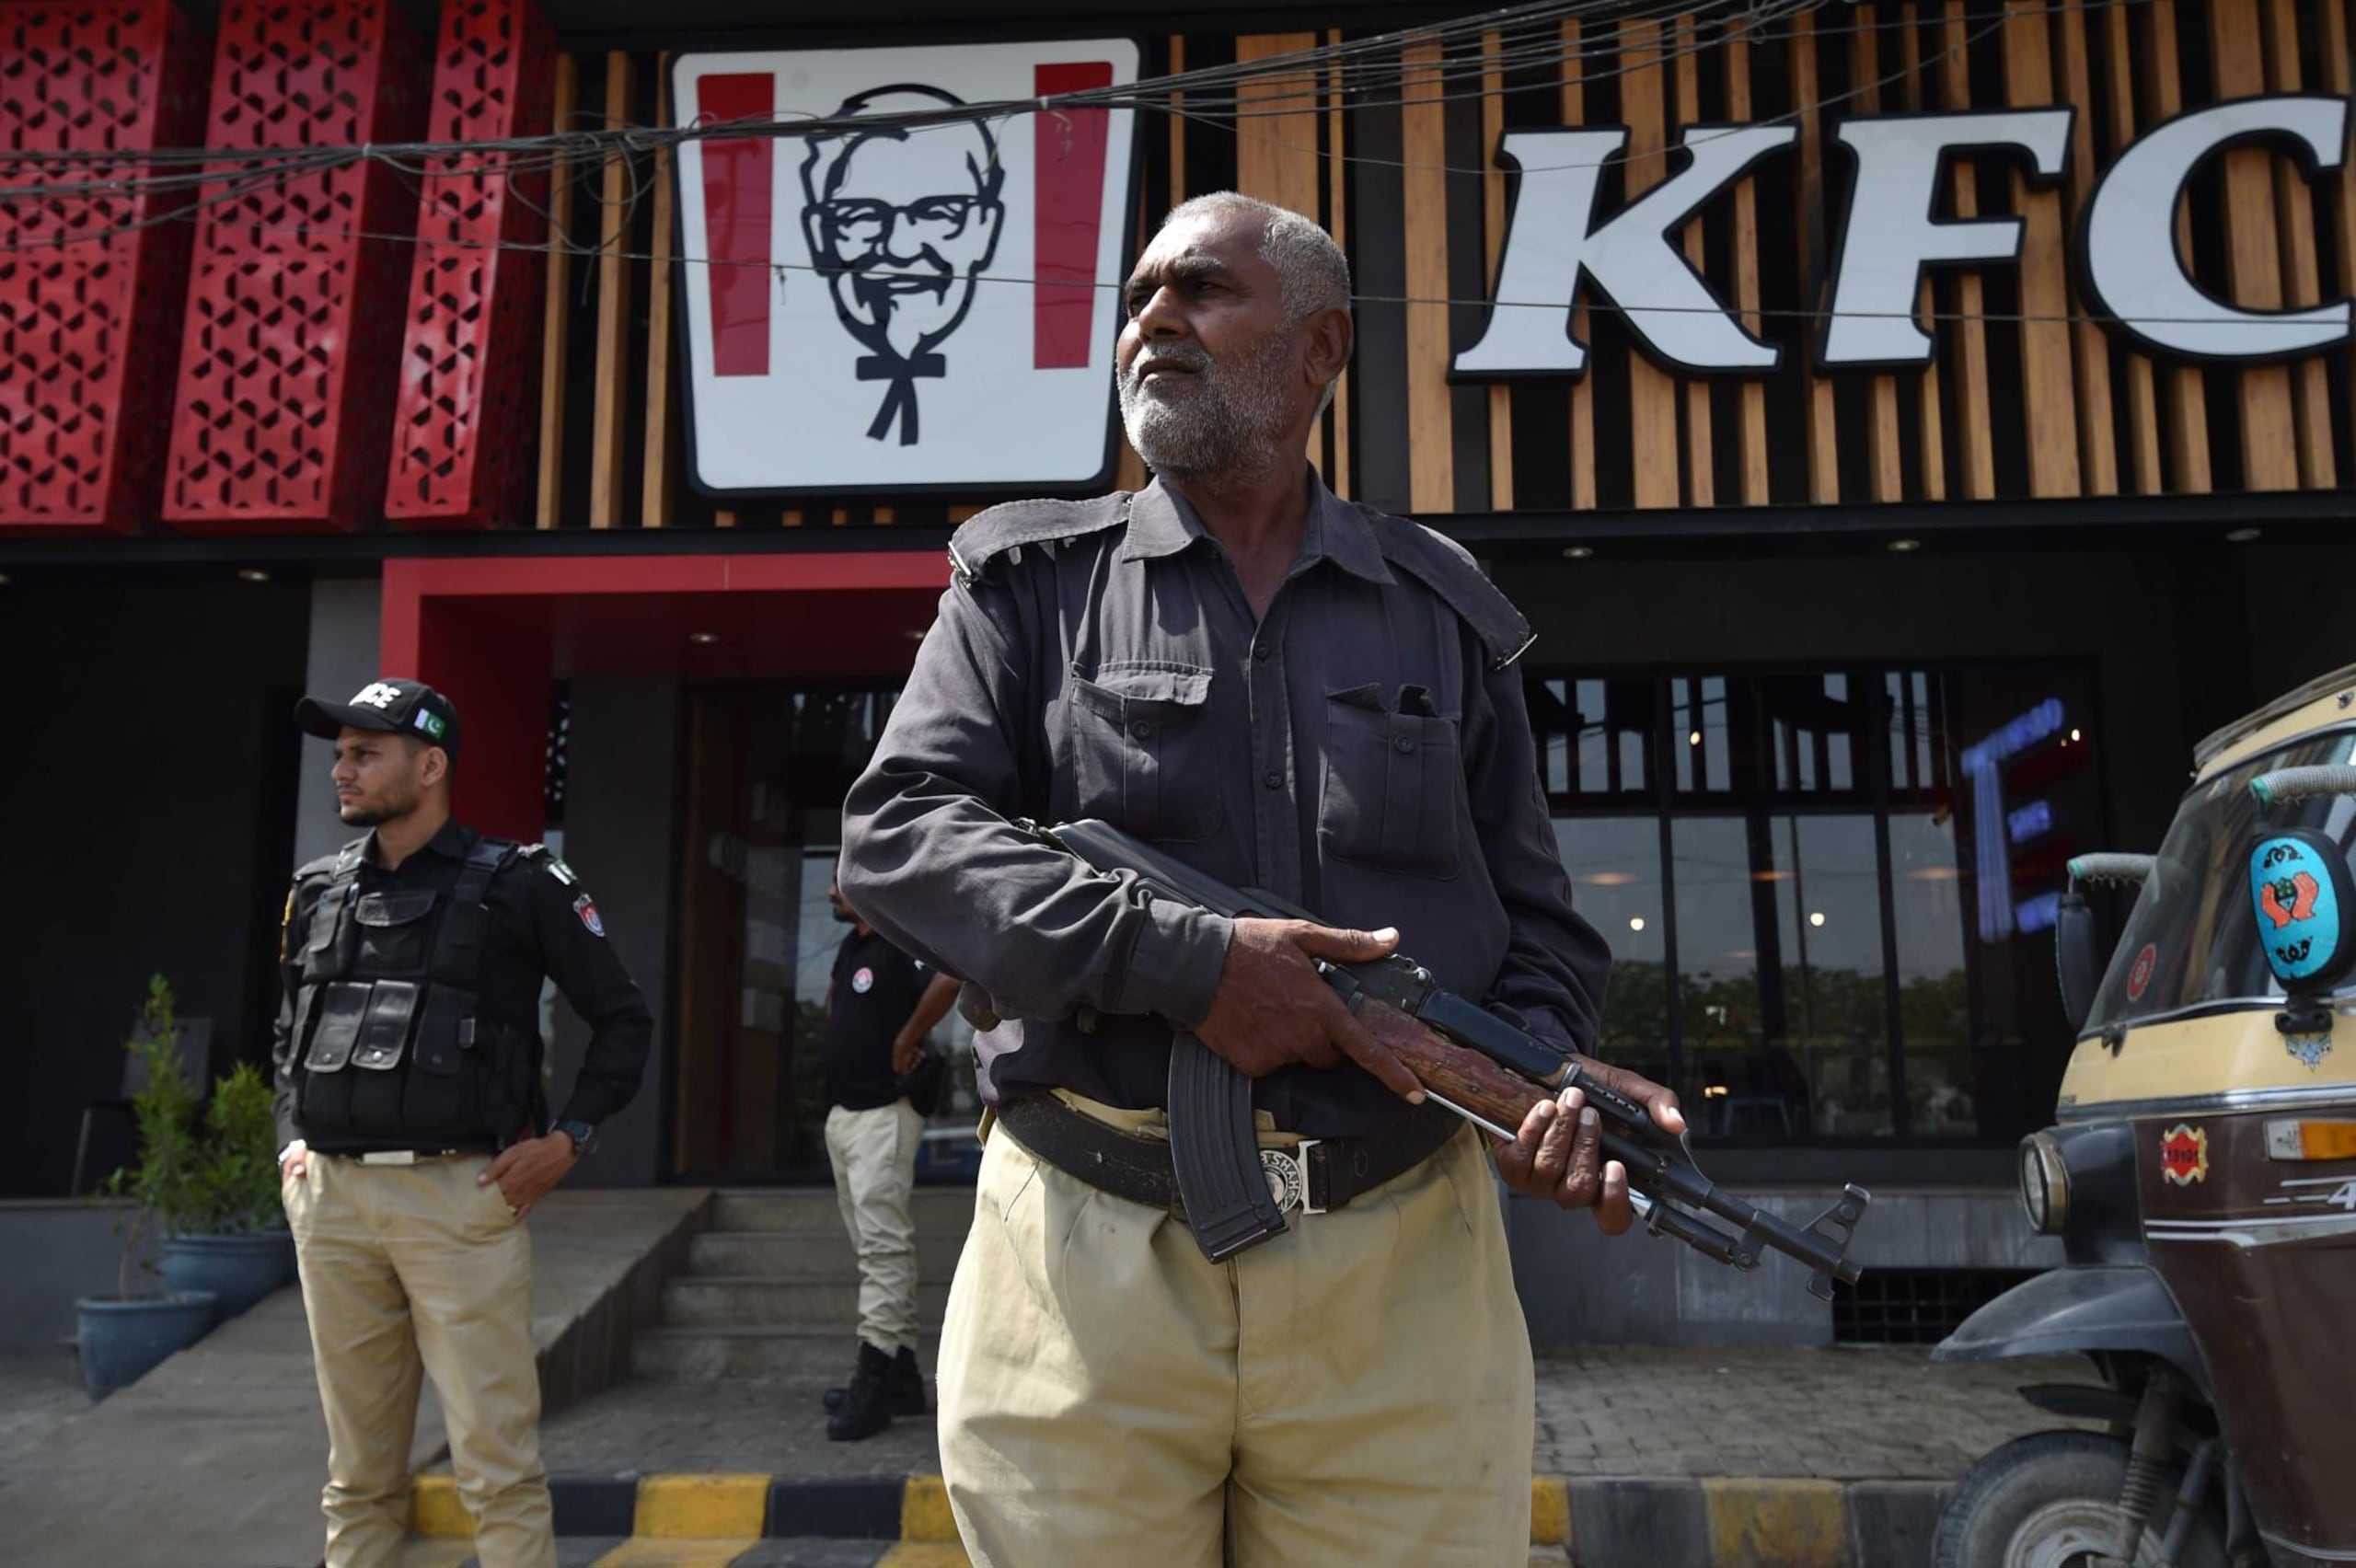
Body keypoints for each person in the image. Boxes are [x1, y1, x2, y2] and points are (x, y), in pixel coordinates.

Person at [838, 192, 1686, 1567]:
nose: (1154, 319)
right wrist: (1189, 965)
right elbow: (898, 835)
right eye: (1141, 296)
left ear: (1320, 349)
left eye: (1204, 289)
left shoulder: (1442, 606)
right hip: (1086, 1251)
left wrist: (1541, 1088)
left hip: (1399, 1262)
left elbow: (1538, 928)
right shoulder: (1025, 582)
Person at [272, 677, 653, 1568]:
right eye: (339, 755)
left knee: (495, 1467)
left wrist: (571, 1140)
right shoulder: (316, 890)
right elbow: (290, 1026)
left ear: (430, 764)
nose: (343, 771)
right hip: (331, 1204)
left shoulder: (518, 882)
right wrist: (291, 1136)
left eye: (366, 753)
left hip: (458, 1199)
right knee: (357, 1474)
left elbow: (622, 1017)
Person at [814, 877, 963, 1441]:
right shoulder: (853, 945)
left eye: (839, 882)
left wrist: (906, 1039)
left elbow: (952, 975)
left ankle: (873, 1379)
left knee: (882, 1248)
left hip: (885, 1112)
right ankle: (901, 1376)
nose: (831, 892)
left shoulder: (905, 940)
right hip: (844, 1114)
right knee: (870, 1248)